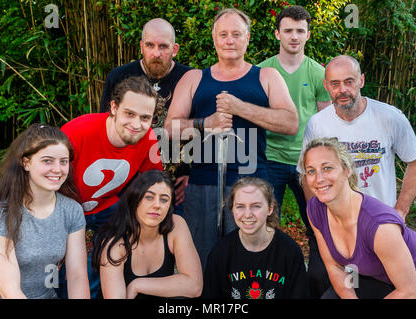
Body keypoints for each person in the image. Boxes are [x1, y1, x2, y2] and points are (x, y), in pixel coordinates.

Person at [165, 8, 298, 268]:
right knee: (200, 260)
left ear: (247, 38)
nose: (229, 41)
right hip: (203, 183)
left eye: (236, 34)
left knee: (252, 258)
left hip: (253, 182)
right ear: (214, 39)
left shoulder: (266, 76)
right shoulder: (194, 78)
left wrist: (240, 108)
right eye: (223, 34)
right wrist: (207, 123)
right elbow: (169, 129)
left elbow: (290, 123)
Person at [299, 55, 416, 298]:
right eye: (335, 83)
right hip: (344, 231)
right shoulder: (317, 124)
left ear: (362, 81)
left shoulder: (389, 117)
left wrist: (400, 210)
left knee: (394, 281)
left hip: (378, 227)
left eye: (349, 81)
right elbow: (309, 172)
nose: (342, 89)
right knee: (327, 280)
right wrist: (320, 211)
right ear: (326, 86)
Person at [60, 75, 164, 298]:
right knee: (64, 273)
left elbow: (155, 183)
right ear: (114, 108)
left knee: (104, 260)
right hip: (66, 206)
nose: (137, 125)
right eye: (130, 114)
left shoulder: (148, 139)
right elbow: (45, 176)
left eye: (145, 118)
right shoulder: (77, 132)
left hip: (107, 206)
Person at [299, 137, 416, 299]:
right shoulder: (315, 209)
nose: (319, 179)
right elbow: (334, 267)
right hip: (375, 277)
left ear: (347, 170)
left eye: (327, 168)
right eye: (311, 171)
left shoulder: (379, 225)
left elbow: (409, 292)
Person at [0, 124, 89, 299]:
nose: (58, 169)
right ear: (26, 163)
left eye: (64, 161)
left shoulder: (72, 210)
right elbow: (10, 292)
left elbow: (77, 277)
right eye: (47, 160)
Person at [99, 18, 193, 206]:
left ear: (175, 49)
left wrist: (192, 175)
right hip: (125, 184)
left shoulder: (190, 78)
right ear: (141, 47)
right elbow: (104, 128)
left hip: (175, 187)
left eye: (163, 47)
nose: (156, 53)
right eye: (150, 45)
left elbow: (202, 132)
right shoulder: (118, 77)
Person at [257, 5, 331, 228]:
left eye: (300, 31)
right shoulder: (261, 72)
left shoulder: (319, 73)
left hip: (307, 160)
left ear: (308, 35)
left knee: (318, 223)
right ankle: (269, 263)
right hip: (270, 157)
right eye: (288, 31)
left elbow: (326, 120)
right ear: (277, 33)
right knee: (267, 224)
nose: (294, 36)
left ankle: (320, 263)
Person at [91, 170, 202, 299]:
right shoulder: (115, 243)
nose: (157, 205)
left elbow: (195, 286)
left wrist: (137, 285)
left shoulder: (176, 225)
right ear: (134, 200)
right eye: (149, 197)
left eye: (164, 199)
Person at [202, 177, 309, 299]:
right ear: (232, 209)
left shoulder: (289, 251)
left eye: (256, 206)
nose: (247, 214)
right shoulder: (220, 253)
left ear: (270, 208)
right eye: (240, 206)